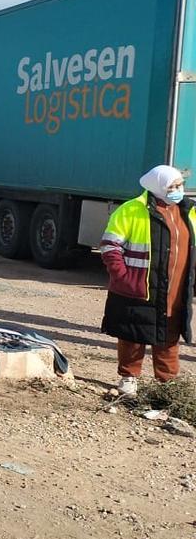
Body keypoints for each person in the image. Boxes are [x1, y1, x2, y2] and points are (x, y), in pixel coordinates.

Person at [101, 165, 195, 397]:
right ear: (158, 187)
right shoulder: (132, 210)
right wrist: (123, 277)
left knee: (170, 333)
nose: (178, 190)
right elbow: (110, 245)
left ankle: (167, 382)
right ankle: (129, 377)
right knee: (133, 332)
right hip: (139, 286)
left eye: (180, 185)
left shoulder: (189, 212)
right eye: (172, 186)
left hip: (176, 287)